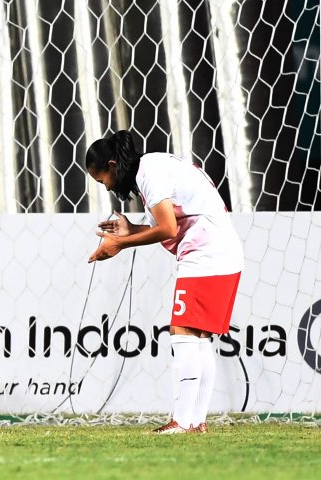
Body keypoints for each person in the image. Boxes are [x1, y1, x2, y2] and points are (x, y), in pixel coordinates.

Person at [84, 130, 243, 434]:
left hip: (205, 254)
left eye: (102, 178)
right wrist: (131, 229)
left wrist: (120, 243)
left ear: (113, 165)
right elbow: (173, 222)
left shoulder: (149, 174)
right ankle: (195, 422)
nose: (106, 186)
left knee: (182, 333)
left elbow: (168, 228)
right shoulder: (154, 166)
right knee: (198, 337)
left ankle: (182, 422)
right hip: (222, 253)